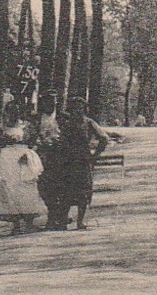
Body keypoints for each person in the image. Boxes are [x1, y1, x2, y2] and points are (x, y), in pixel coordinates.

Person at [44, 96, 109, 230]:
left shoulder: (89, 123)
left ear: (84, 109)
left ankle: (80, 221)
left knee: (84, 191)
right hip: (67, 161)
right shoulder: (66, 124)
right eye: (74, 109)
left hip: (84, 160)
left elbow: (104, 138)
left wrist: (95, 155)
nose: (76, 111)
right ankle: (62, 221)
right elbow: (59, 140)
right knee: (66, 191)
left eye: (80, 108)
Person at [0, 103, 43, 234]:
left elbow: (36, 142)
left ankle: (29, 222)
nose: (13, 114)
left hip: (23, 157)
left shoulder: (26, 126)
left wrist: (29, 153)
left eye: (16, 111)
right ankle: (16, 224)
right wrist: (3, 141)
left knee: (26, 187)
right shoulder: (1, 128)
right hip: (7, 159)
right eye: (10, 112)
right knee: (10, 188)